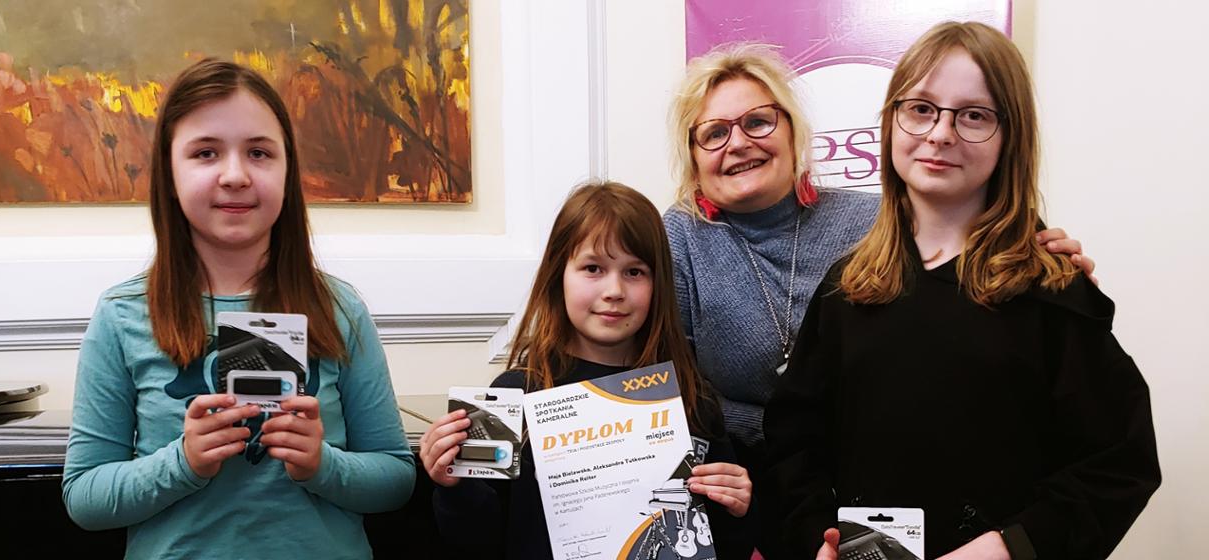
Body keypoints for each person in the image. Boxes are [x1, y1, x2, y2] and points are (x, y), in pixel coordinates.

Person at [757, 22, 1160, 559]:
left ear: (1011, 135)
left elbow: (1119, 462)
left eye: (974, 115)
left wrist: (1009, 547)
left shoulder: (1052, 289)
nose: (941, 133)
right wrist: (816, 539)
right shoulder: (848, 289)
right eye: (921, 108)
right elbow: (793, 443)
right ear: (891, 122)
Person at [662, 42, 1096, 456]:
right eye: (714, 133)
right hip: (737, 471)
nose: (738, 143)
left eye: (758, 122)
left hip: (878, 464)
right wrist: (775, 433)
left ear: (793, 132)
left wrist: (1045, 272)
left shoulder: (880, 219)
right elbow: (663, 384)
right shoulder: (677, 238)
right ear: (693, 157)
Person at [62, 59, 415, 558]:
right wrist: (182, 462)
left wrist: (322, 465)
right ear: (169, 174)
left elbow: (395, 478)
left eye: (259, 153)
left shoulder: (340, 309)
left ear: (288, 171)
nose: (235, 175)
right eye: (206, 153)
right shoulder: (122, 315)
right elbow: (85, 497)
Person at [419, 181, 756, 559]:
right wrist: (453, 485)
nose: (614, 290)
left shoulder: (691, 397)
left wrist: (736, 508)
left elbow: (726, 545)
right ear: (558, 274)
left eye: (634, 272)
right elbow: (475, 543)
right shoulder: (513, 393)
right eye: (593, 268)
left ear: (658, 284)